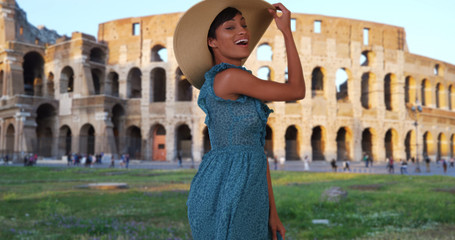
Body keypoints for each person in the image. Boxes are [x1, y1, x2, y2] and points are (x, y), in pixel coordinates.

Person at [174, 1, 305, 239]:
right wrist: (286, 31)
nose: (242, 31)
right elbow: (296, 90)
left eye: (243, 25)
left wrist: (271, 213)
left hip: (246, 187)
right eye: (230, 27)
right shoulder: (230, 78)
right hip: (228, 189)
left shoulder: (232, 79)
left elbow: (256, 154)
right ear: (212, 41)